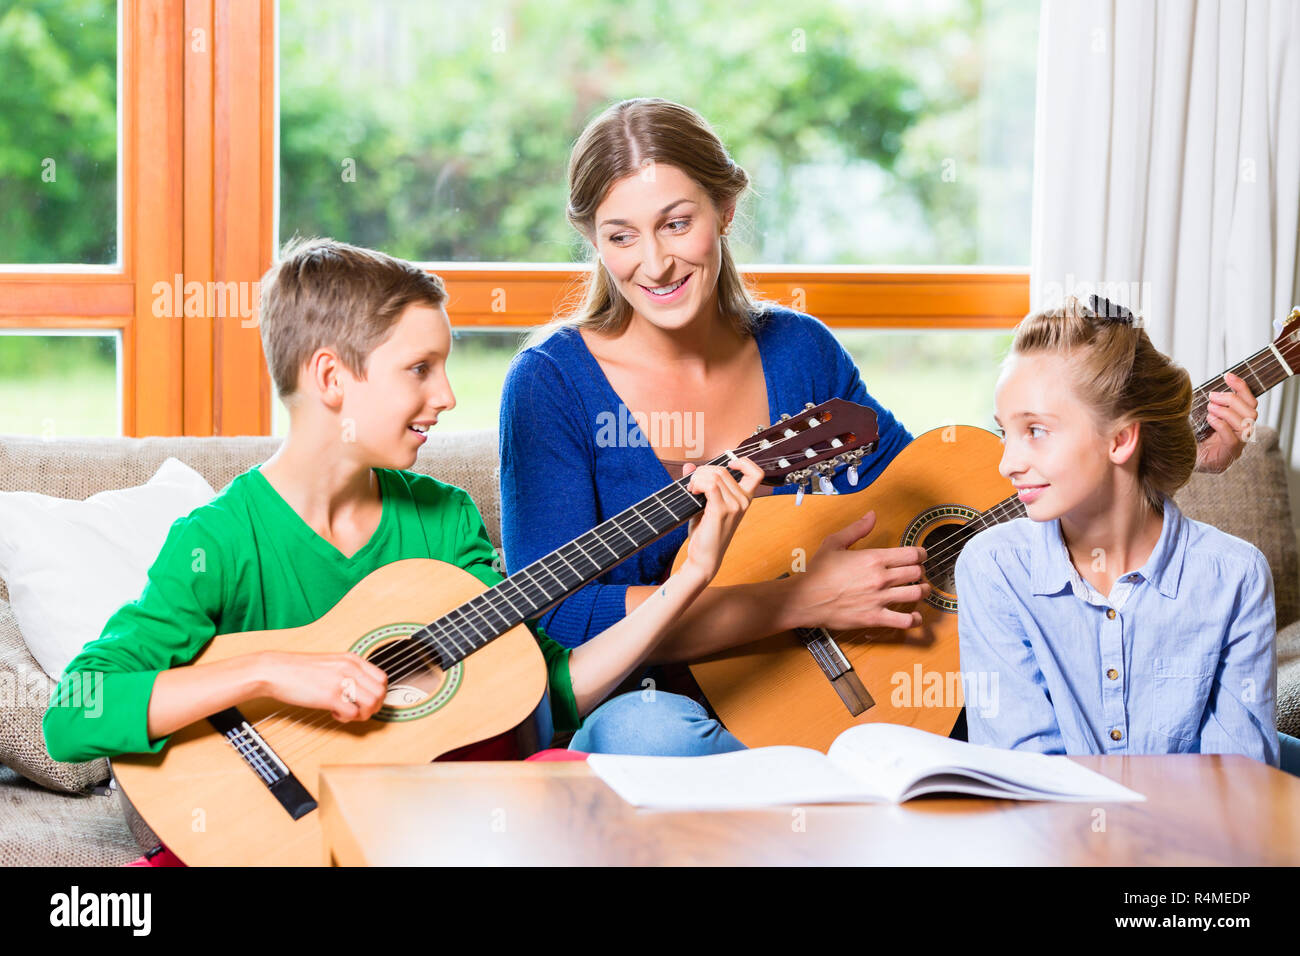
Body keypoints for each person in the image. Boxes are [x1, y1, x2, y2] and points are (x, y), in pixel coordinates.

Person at [498, 97, 1261, 750]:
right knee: (648, 740)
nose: (655, 264)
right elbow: (561, 617)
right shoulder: (550, 385)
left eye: (676, 223)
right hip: (662, 703)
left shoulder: (799, 352)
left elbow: (946, 502)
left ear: (725, 210)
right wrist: (799, 599)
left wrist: (1164, 457)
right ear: (592, 239)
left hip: (836, 691)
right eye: (620, 235)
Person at [42, 237, 761, 806]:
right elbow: (74, 714)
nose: (447, 395)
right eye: (420, 369)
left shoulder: (444, 521)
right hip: (293, 815)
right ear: (331, 380)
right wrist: (266, 673)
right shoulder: (220, 542)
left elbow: (550, 690)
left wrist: (689, 578)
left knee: (585, 763)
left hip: (443, 812)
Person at [956, 295, 1298, 771]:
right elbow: (1025, 776)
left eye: (1034, 430)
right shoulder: (992, 568)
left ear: (1120, 439)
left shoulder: (1235, 576)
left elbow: (1239, 786)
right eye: (1005, 433)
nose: (1007, 464)